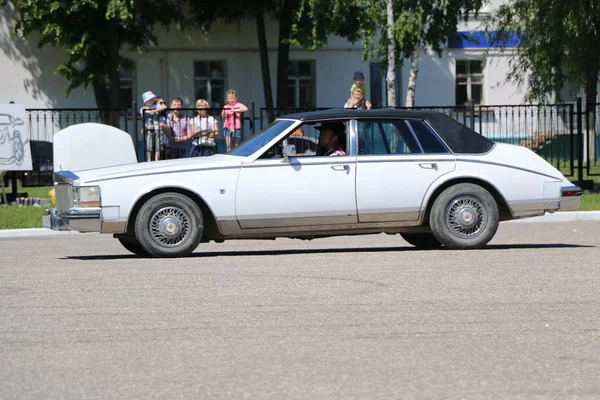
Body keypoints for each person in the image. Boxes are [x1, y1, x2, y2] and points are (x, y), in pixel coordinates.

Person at [140, 91, 167, 161]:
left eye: (152, 99)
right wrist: (147, 125)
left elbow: (164, 107)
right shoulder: (143, 109)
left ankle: (156, 159)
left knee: (158, 145)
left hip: (157, 128)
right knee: (149, 145)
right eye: (150, 99)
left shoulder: (155, 106)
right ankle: (149, 159)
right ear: (146, 101)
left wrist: (155, 111)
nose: (152, 101)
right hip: (149, 129)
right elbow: (144, 117)